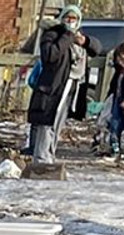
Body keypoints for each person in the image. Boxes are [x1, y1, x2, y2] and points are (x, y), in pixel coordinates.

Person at [26, 6, 98, 168]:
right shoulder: (52, 35)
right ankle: (41, 159)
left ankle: (50, 154)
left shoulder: (79, 37)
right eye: (68, 18)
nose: (71, 22)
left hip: (72, 86)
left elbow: (96, 48)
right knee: (47, 122)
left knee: (58, 123)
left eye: (74, 19)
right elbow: (50, 55)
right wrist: (67, 36)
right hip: (53, 87)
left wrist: (85, 41)